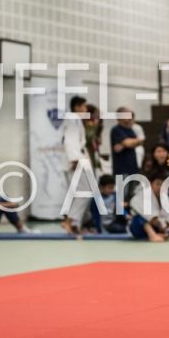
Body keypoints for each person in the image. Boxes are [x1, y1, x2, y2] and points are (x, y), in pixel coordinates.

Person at [61, 96, 93, 235]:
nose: (86, 110)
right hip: (76, 160)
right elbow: (70, 140)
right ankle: (69, 221)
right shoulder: (73, 118)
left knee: (79, 193)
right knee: (85, 191)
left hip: (78, 159)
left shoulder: (75, 120)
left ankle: (75, 225)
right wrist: (75, 160)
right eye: (84, 107)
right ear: (76, 107)